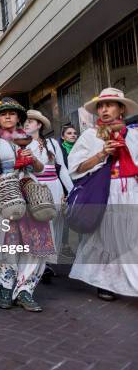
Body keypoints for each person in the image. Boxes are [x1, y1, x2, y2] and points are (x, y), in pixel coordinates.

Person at [0, 97, 53, 312]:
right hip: (6, 192)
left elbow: (39, 168)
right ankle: (6, 286)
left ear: (19, 117)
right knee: (8, 241)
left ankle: (25, 290)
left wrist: (31, 159)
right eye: (3, 114)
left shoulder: (31, 140)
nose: (7, 116)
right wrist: (2, 183)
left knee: (34, 241)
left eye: (11, 113)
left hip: (30, 191)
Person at [68, 88, 138, 301]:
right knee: (106, 237)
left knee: (132, 237)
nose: (104, 109)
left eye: (109, 105)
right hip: (106, 191)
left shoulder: (134, 135)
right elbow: (76, 167)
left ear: (121, 109)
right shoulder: (90, 135)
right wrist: (102, 154)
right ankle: (105, 282)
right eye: (100, 105)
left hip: (132, 191)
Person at [24, 110, 73, 276]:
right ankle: (39, 262)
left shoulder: (52, 143)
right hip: (35, 187)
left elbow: (62, 169)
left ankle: (47, 262)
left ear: (39, 125)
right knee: (39, 223)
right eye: (25, 121)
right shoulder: (21, 144)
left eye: (31, 121)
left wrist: (72, 191)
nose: (27, 123)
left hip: (55, 186)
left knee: (55, 223)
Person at [59, 124, 79, 257]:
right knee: (65, 217)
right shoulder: (60, 150)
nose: (73, 135)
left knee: (80, 215)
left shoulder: (80, 149)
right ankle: (64, 246)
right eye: (69, 133)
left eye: (74, 133)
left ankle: (83, 246)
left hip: (80, 185)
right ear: (63, 136)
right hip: (64, 187)